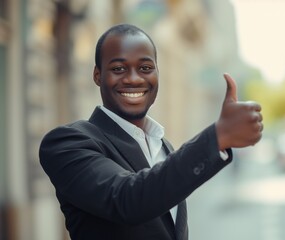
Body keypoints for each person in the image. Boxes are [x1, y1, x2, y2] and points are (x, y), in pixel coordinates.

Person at [39, 24, 263, 240]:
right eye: (118, 68)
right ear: (98, 76)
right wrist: (217, 137)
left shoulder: (163, 146)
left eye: (145, 68)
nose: (134, 78)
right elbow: (127, 200)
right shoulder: (66, 143)